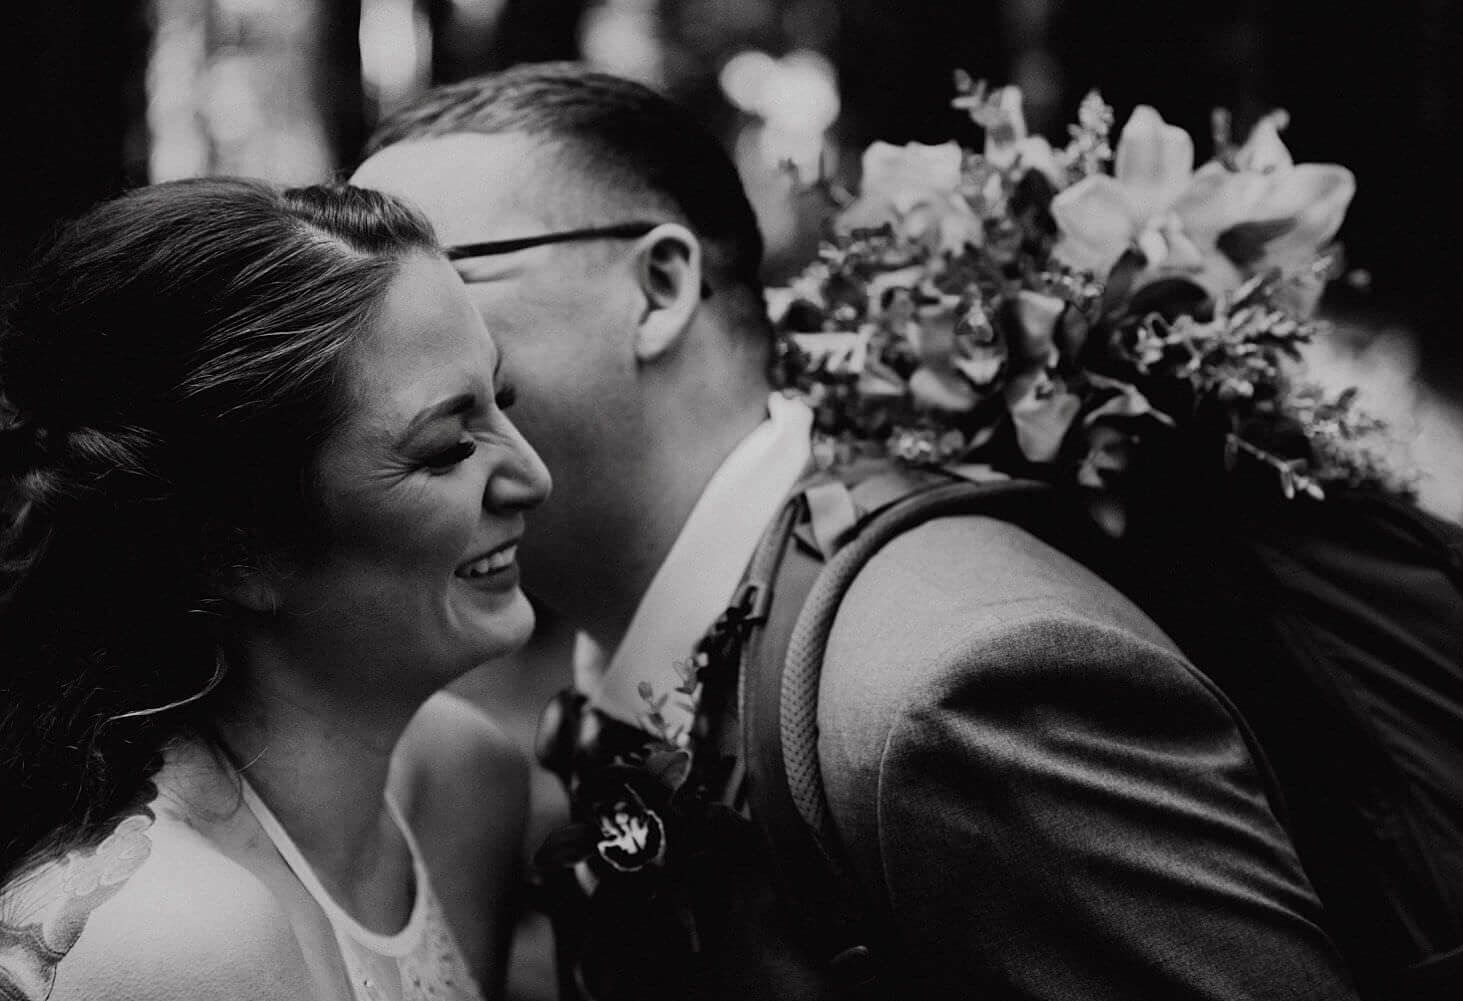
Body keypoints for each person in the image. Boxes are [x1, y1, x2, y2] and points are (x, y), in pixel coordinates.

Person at [353, 63, 1359, 999]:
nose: (368, 362)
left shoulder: (951, 684)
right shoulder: (625, 637)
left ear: (658, 288)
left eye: (439, 282)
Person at [0, 178, 551, 1000]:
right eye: (444, 447)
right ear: (232, 548)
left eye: (499, 402)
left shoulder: (465, 785)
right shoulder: (177, 942)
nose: (531, 476)